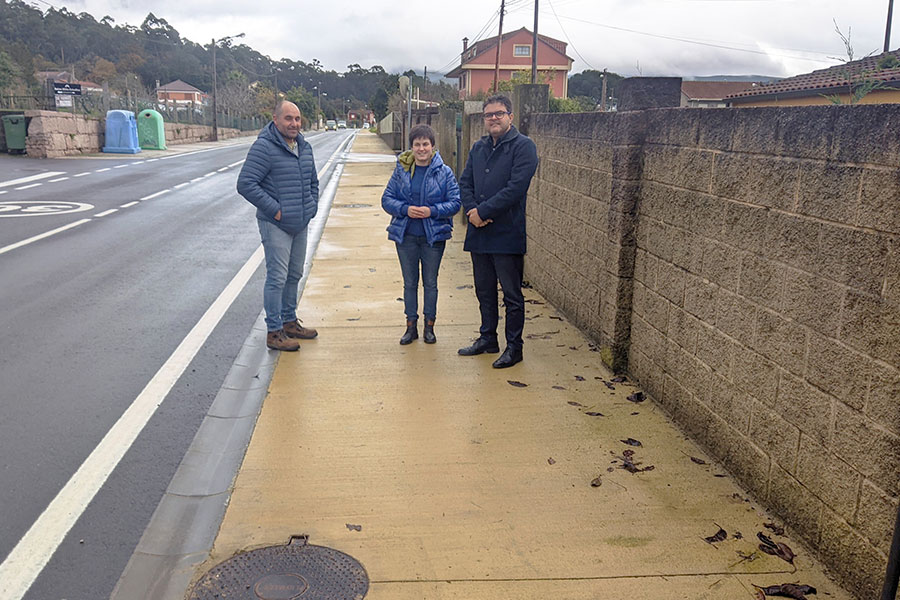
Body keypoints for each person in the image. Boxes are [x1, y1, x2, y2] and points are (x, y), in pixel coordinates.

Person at [457, 94, 538, 369]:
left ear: (510, 117)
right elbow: (465, 182)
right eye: (489, 114)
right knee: (484, 291)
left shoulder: (524, 147)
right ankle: (487, 338)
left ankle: (514, 347)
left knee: (512, 295)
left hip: (507, 233)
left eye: (499, 113)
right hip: (479, 234)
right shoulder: (478, 148)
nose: (493, 118)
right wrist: (472, 211)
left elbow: (515, 189)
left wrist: (483, 212)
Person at [237, 100, 319, 351]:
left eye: (297, 118)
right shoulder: (264, 147)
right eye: (288, 118)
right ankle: (274, 332)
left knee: (295, 274)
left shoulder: (304, 147)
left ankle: (289, 322)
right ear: (275, 119)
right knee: (277, 277)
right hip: (276, 224)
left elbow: (313, 182)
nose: (294, 123)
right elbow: (246, 183)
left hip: (300, 223)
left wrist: (311, 206)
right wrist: (276, 210)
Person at [382, 124, 461, 345]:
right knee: (409, 283)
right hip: (406, 236)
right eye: (417, 144)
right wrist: (404, 209)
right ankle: (411, 327)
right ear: (412, 147)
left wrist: (432, 211)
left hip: (433, 238)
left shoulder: (444, 172)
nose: (421, 148)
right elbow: (386, 199)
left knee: (430, 283)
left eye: (425, 144)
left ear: (432, 146)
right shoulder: (402, 170)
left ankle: (429, 327)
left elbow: (455, 202)